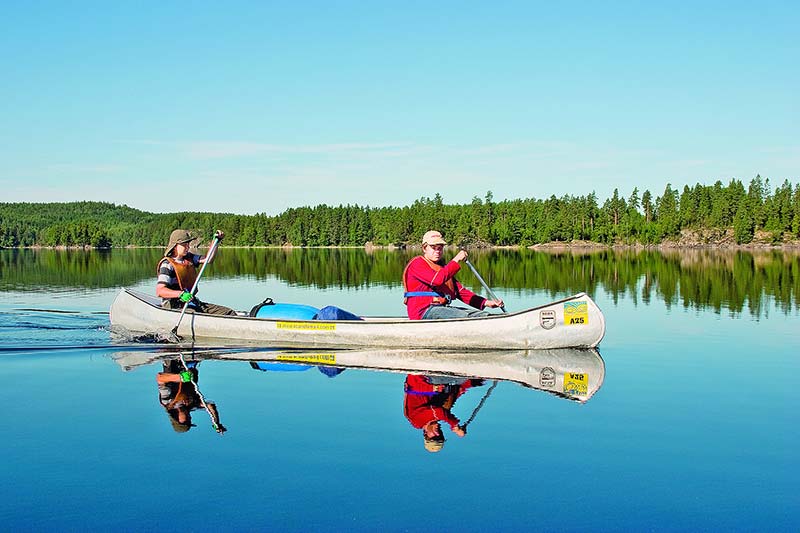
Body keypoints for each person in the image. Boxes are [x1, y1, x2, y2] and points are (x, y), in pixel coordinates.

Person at [402, 230, 504, 320]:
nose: (438, 251)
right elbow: (437, 280)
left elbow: (460, 292)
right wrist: (456, 260)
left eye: (440, 248)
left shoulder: (441, 267)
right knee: (465, 317)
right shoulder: (417, 263)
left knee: (481, 315)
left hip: (440, 308)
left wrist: (486, 303)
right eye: (433, 247)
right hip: (423, 311)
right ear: (424, 248)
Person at [156, 229, 237, 316]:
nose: (187, 247)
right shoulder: (167, 265)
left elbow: (208, 259)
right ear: (175, 246)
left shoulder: (189, 258)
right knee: (196, 314)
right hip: (174, 306)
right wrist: (180, 294)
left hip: (191, 302)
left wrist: (215, 241)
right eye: (184, 245)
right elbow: (160, 291)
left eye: (188, 244)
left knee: (229, 312)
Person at [403, 374, 484, 452]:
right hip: (433, 382)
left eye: (434, 437)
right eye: (440, 436)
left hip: (421, 378)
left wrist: (455, 426)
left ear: (425, 434)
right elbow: (456, 392)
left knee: (463, 377)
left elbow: (439, 412)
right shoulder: (438, 415)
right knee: (471, 380)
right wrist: (473, 383)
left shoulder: (417, 421)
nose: (438, 433)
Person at [157, 358, 226, 434]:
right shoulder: (191, 404)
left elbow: (160, 378)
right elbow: (210, 406)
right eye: (190, 420)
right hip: (190, 363)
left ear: (176, 419)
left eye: (186, 421)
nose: (190, 418)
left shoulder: (167, 401)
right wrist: (216, 422)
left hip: (172, 360)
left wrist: (180, 378)